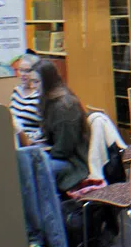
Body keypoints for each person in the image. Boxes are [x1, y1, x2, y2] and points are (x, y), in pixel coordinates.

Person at [33, 59, 89, 192]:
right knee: (30, 163)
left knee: (37, 170)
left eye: (36, 82)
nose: (33, 86)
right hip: (63, 155)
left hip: (75, 163)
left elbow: (64, 149)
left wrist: (43, 153)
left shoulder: (65, 107)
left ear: (47, 81)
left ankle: (48, 212)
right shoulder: (49, 101)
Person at [9, 53, 44, 143]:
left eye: (27, 71)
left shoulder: (40, 96)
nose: (23, 74)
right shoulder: (16, 90)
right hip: (12, 140)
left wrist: (24, 136)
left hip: (29, 144)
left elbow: (44, 131)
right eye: (21, 70)